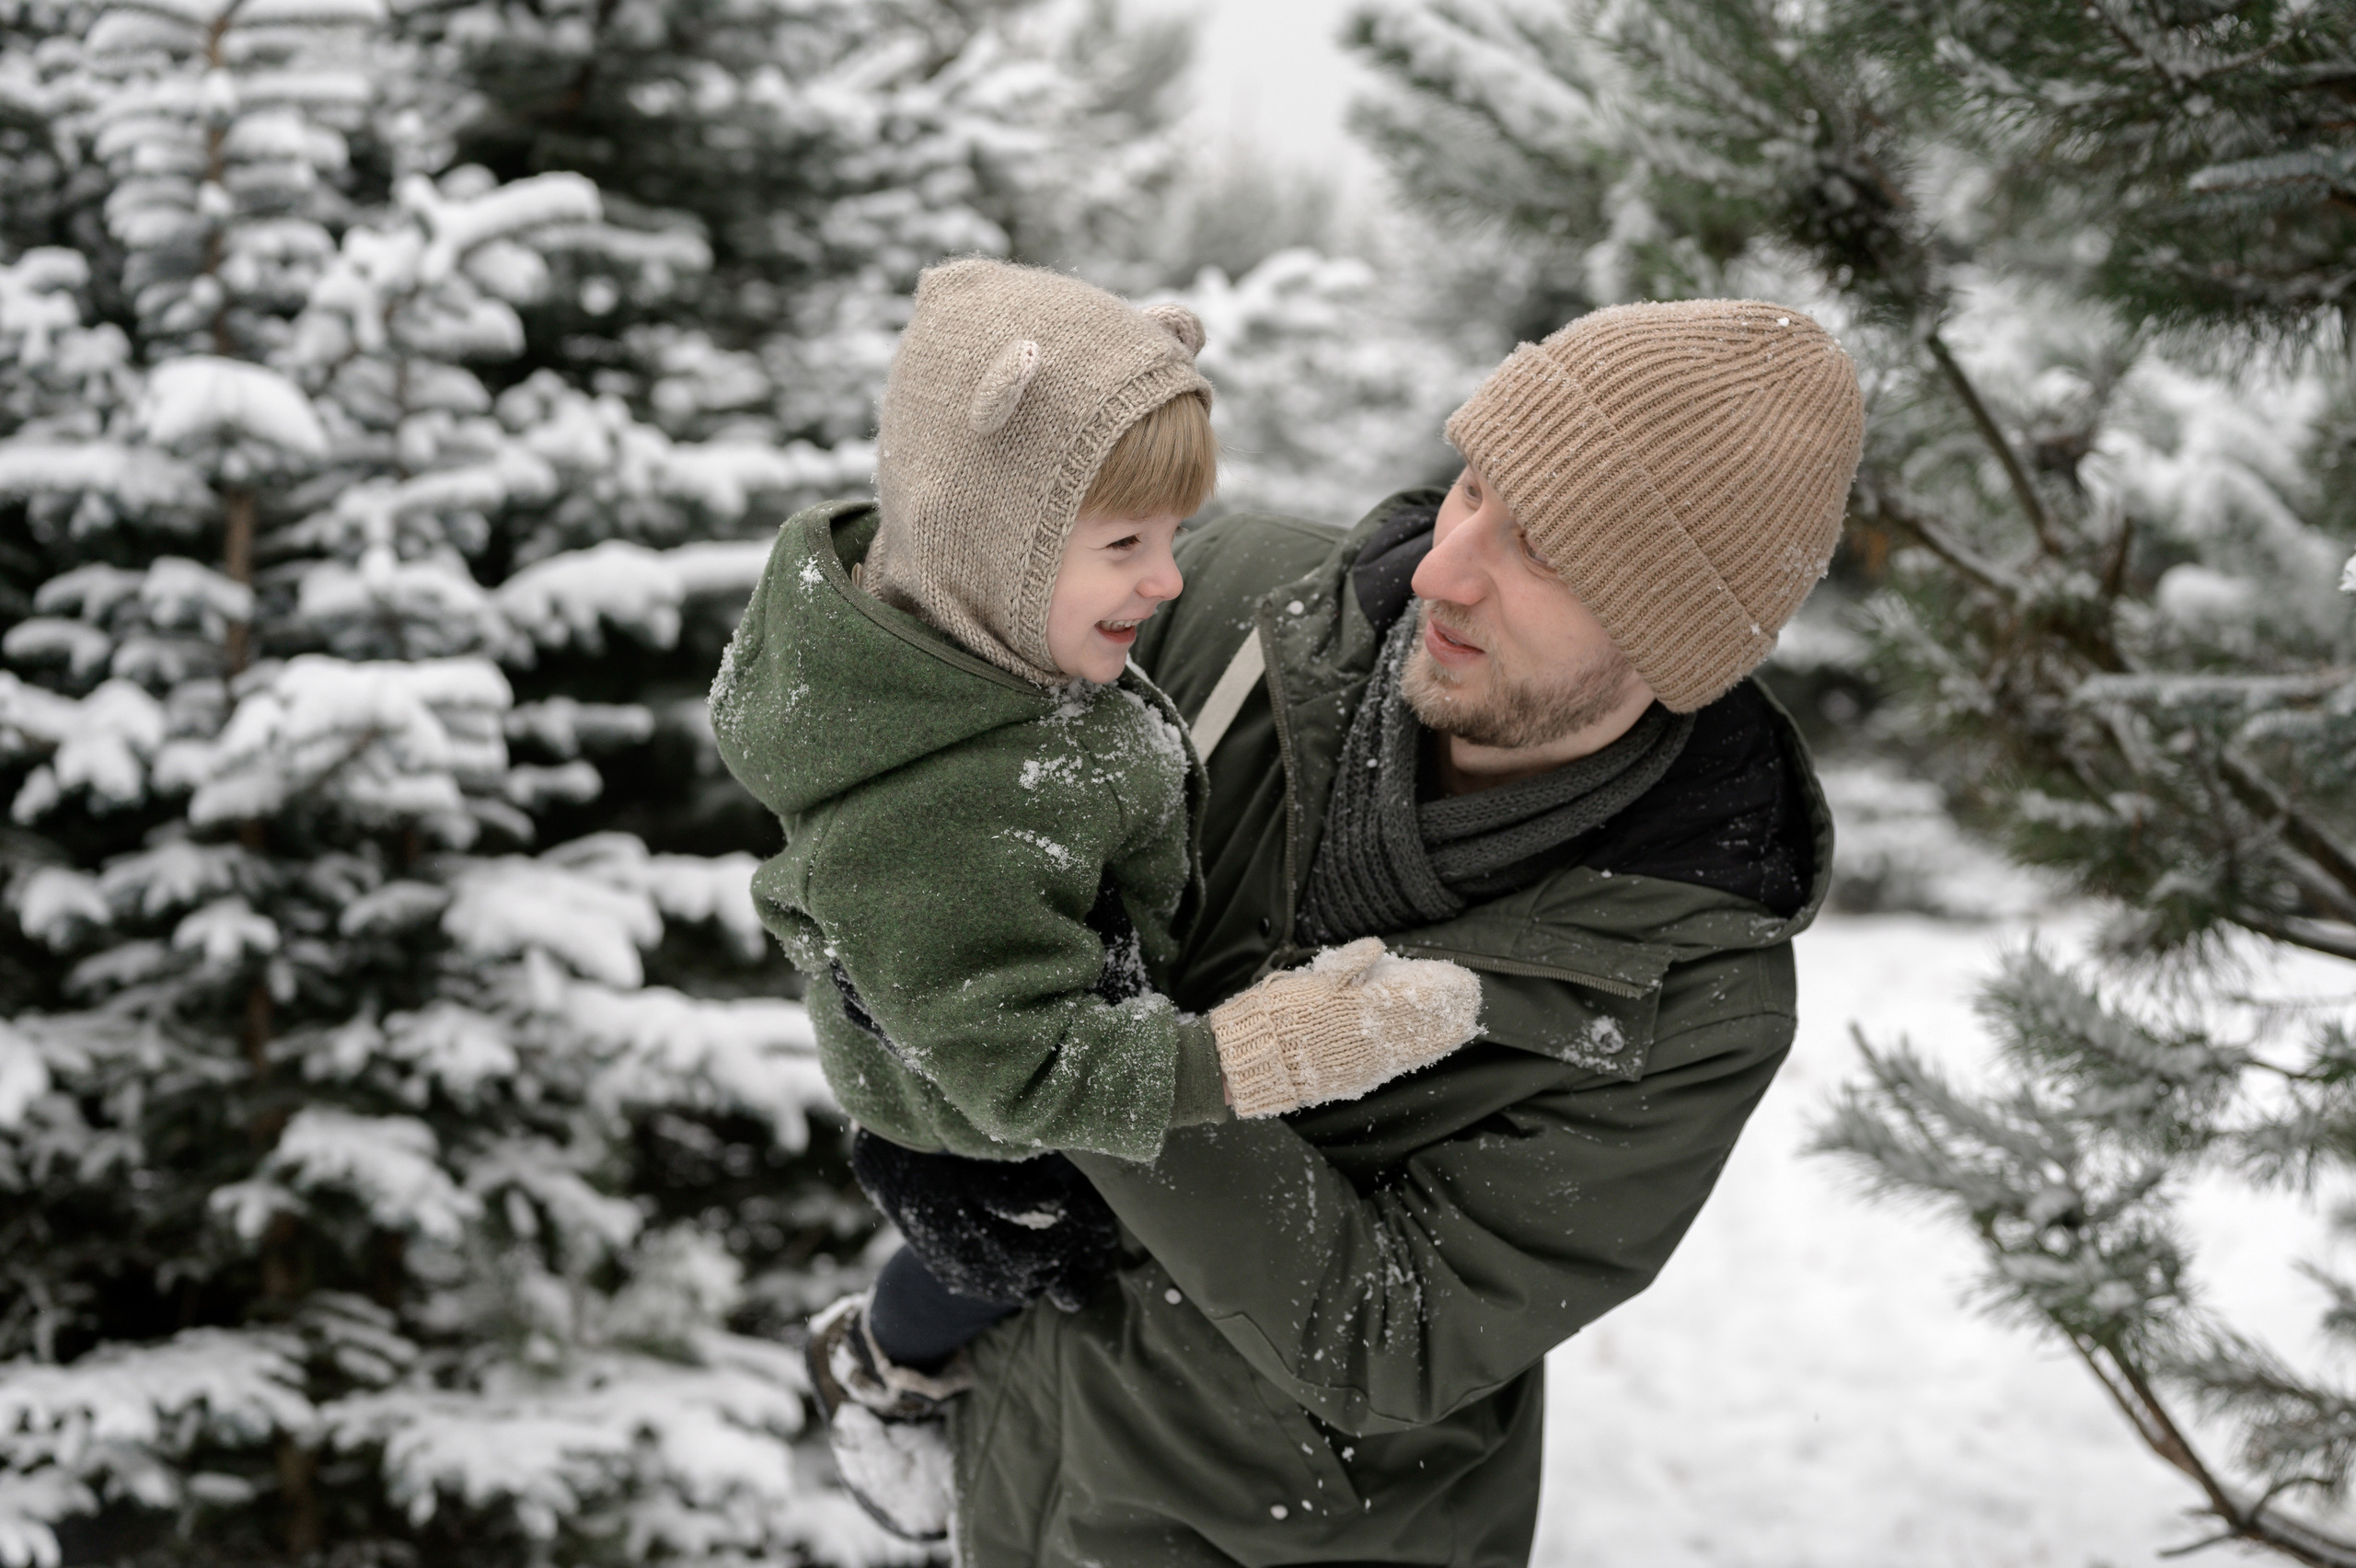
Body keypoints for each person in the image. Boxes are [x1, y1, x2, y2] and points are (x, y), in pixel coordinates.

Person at [922, 298, 1869, 1565]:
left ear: (1674, 638)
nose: (1443, 569)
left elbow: (1394, 1335)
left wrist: (1080, 1059)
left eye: (1544, 551)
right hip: (1020, 1451)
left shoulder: (1688, 992)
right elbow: (932, 825)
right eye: (1473, 486)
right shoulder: (1232, 606)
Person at [707, 258, 1485, 1539]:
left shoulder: (1003, 658)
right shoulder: (936, 806)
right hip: (979, 1135)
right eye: (1127, 546)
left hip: (1026, 1040)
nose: (1169, 581)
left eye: (1173, 537)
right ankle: (878, 1364)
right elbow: (1022, 1074)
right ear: (986, 551)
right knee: (1005, 1262)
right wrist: (1259, 1052)